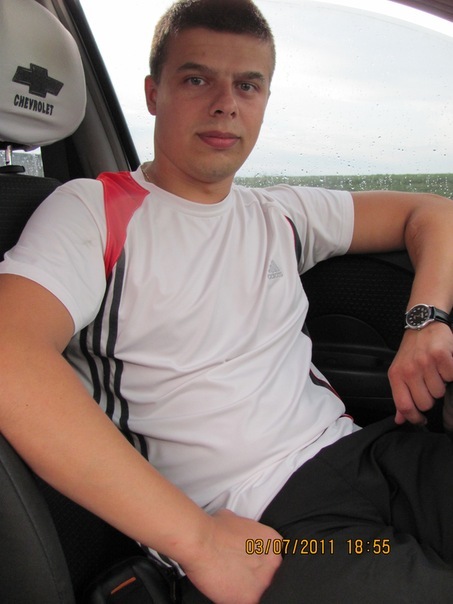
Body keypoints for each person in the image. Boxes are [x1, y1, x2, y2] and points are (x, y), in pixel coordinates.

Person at [1, 0, 453, 602]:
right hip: (263, 525)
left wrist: (424, 321)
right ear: (153, 93)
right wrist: (201, 542)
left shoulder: (279, 212)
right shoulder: (93, 211)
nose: (225, 104)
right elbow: (9, 354)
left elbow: (434, 213)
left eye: (247, 85)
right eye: (197, 79)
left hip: (370, 453)